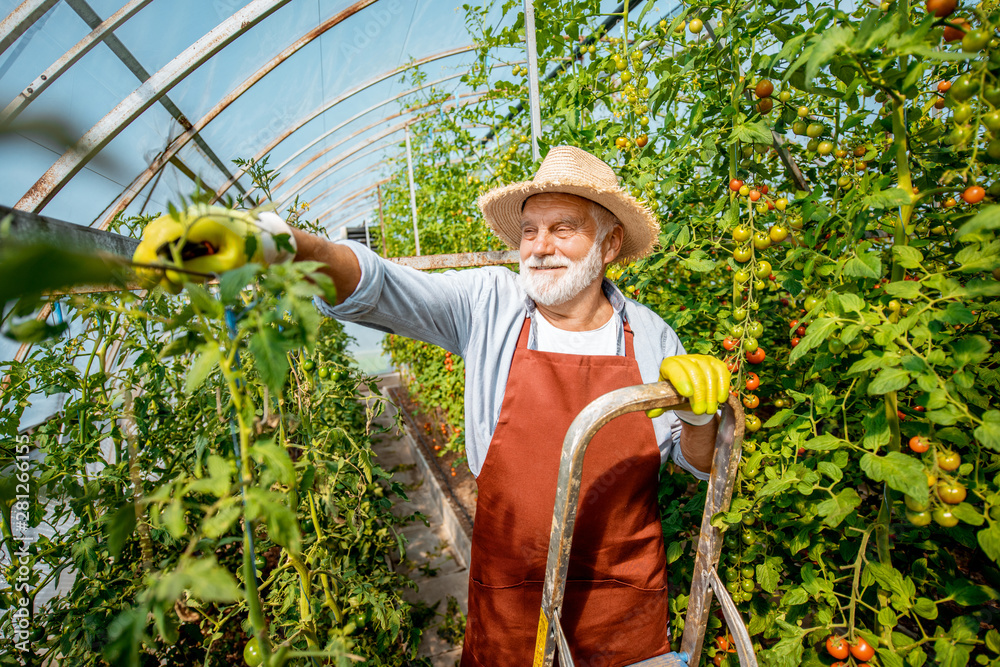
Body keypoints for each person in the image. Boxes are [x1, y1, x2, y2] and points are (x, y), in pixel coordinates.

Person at [135, 145, 730, 666]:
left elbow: (698, 464)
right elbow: (379, 285)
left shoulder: (651, 337)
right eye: (530, 230)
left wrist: (701, 416)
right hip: (514, 598)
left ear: (610, 244)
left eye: (563, 229)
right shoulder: (490, 305)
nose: (540, 248)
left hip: (621, 599)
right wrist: (286, 246)